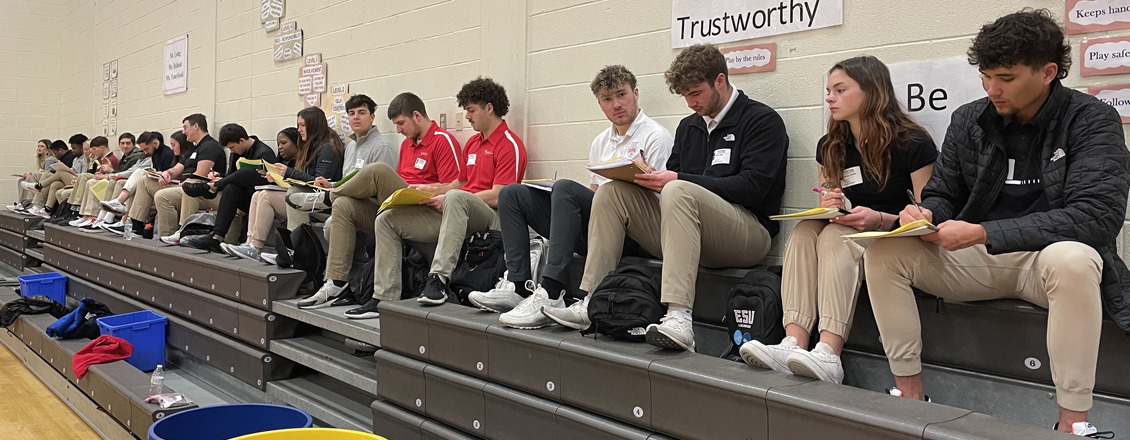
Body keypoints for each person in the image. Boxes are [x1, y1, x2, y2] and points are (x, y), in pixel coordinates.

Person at [864, 10, 1127, 437]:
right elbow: (944, 192)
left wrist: (985, 232)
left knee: (1073, 258)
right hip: (980, 259)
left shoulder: (1092, 119)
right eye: (985, 76)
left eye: (1004, 76)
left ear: (1048, 72)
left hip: (1045, 265)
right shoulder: (970, 119)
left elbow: (1095, 217)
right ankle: (909, 396)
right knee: (885, 251)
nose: (991, 89)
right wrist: (926, 213)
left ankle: (1072, 423)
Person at [544, 44, 788, 352]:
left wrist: (677, 180)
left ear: (721, 81)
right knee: (611, 191)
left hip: (748, 233)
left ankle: (679, 316)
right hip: (691, 230)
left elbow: (753, 187)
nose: (691, 103)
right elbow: (672, 179)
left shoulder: (761, 120)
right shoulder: (689, 126)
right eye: (685, 95)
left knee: (677, 188)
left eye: (696, 93)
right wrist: (645, 177)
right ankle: (591, 300)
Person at [738, 55, 937, 384]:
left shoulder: (912, 142)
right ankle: (794, 342)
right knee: (804, 230)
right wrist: (831, 201)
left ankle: (829, 350)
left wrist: (880, 219)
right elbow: (828, 199)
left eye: (840, 90)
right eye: (828, 90)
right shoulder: (831, 145)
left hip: (893, 239)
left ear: (872, 91)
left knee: (834, 237)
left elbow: (928, 216)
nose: (829, 97)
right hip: (849, 233)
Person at [470, 65, 674, 329]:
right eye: (607, 99)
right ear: (600, 104)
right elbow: (595, 196)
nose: (616, 104)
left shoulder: (656, 137)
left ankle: (551, 292)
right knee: (513, 193)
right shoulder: (601, 141)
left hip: (638, 234)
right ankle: (518, 286)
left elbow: (659, 203)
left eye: (622, 95)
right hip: (603, 230)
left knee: (566, 188)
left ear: (635, 94)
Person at [305, 77, 527, 319]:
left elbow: (500, 195)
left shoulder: (509, 144)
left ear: (489, 108)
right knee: (386, 219)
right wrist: (431, 191)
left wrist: (450, 195)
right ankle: (383, 298)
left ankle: (439, 279)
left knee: (384, 172)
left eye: (471, 110)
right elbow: (458, 184)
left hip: (487, 219)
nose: (468, 116)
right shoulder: (473, 143)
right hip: (453, 207)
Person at [290, 92, 462, 317]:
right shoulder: (407, 145)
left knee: (377, 170)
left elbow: (456, 188)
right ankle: (337, 283)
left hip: (427, 212)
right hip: (399, 207)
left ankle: (326, 198)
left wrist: (429, 189)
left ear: (417, 116)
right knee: (343, 205)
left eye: (401, 124)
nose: (398, 130)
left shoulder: (442, 140)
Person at [216, 107, 345, 260]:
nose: (299, 130)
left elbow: (320, 183)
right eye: (298, 125)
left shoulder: (327, 148)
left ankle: (258, 247)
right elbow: (303, 180)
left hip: (318, 203)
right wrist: (278, 178)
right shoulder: (310, 147)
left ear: (314, 124)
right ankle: (251, 244)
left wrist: (288, 173)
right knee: (259, 194)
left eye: (302, 125)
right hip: (303, 197)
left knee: (265, 197)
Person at [284, 94, 399, 222]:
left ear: (372, 117)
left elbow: (382, 192)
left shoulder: (382, 147)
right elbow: (345, 181)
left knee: (334, 216)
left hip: (370, 207)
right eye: (351, 113)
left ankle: (328, 198)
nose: (356, 117)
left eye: (361, 113)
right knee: (292, 192)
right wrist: (330, 184)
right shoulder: (351, 147)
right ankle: (295, 239)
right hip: (344, 200)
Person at [177, 123, 280, 252]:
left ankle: (212, 187)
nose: (232, 151)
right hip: (242, 197)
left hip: (261, 200)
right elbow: (232, 176)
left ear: (242, 140)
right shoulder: (236, 152)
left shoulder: (264, 153)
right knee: (231, 187)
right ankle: (216, 238)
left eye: (232, 147)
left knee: (246, 172)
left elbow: (272, 183)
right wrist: (221, 176)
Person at [129, 114, 225, 240]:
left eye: (185, 128)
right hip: (182, 186)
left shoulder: (211, 146)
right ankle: (136, 226)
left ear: (196, 126)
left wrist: (181, 184)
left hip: (200, 191)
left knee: (163, 196)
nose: (183, 132)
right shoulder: (193, 149)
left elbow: (200, 176)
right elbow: (176, 169)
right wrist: (166, 173)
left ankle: (167, 235)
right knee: (145, 181)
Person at [23, 141, 72, 217]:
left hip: (73, 180)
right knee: (52, 183)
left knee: (47, 175)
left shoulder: (52, 159)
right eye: (38, 146)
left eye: (42, 146)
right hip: (65, 179)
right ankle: (46, 209)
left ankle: (38, 190)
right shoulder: (70, 158)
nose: (39, 148)